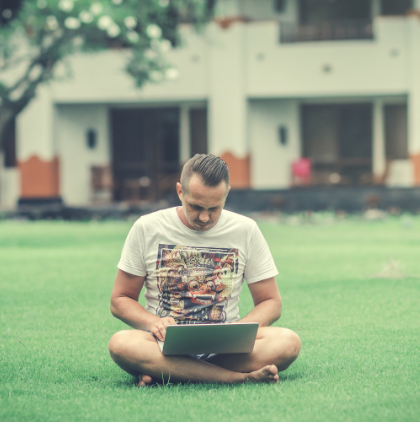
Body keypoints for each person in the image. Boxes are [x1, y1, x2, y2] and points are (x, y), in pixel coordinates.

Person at [108, 154, 301, 386]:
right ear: (180, 191)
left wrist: (237, 331)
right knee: (121, 344)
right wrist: (152, 322)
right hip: (163, 345)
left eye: (214, 208)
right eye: (195, 206)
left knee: (288, 341)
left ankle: (170, 373)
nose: (204, 217)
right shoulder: (147, 227)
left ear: (226, 193)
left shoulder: (246, 230)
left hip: (226, 349)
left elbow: (271, 302)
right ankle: (235, 378)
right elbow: (120, 299)